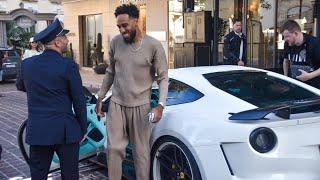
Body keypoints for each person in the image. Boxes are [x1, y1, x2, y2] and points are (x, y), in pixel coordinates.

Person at [94, 3, 168, 180]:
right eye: (119, 26)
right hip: (117, 104)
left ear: (137, 21)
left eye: (125, 25)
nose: (121, 30)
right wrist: (100, 97)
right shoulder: (115, 43)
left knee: (141, 154)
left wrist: (160, 105)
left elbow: (163, 78)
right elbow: (110, 72)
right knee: (113, 149)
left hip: (141, 106)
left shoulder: (154, 45)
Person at [16, 19, 87, 179]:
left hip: (39, 130)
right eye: (65, 38)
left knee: (38, 175)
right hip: (65, 131)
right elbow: (79, 101)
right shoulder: (68, 65)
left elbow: (20, 86)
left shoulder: (26, 64)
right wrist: (82, 129)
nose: (67, 41)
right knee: (70, 175)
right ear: (57, 42)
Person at [281, 20, 320, 89]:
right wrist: (286, 78)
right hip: (293, 86)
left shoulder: (314, 43)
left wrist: (309, 76)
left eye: (287, 36)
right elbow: (286, 61)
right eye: (284, 37)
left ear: (296, 33)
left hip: (312, 89)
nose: (285, 39)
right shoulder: (287, 44)